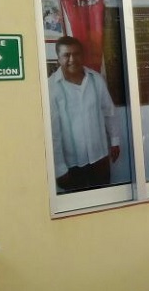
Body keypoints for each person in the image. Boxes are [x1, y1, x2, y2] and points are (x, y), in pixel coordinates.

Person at [48, 36, 121, 193]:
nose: (72, 59)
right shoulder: (51, 88)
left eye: (76, 54)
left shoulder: (96, 80)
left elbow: (109, 112)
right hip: (71, 165)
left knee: (104, 201)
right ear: (58, 58)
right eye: (66, 55)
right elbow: (53, 133)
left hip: (99, 157)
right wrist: (59, 168)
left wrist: (115, 141)